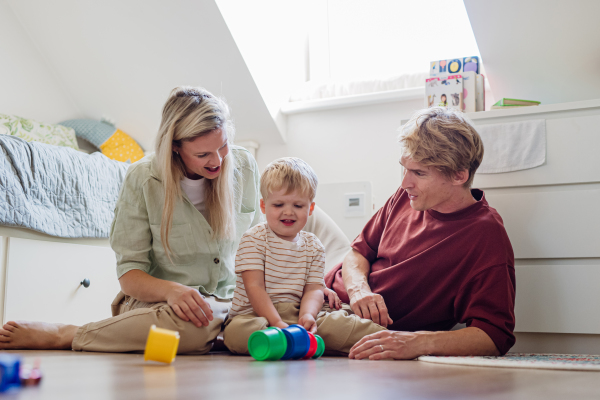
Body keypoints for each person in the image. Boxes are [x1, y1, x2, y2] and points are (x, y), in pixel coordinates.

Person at [0, 86, 262, 354]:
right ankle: (70, 334)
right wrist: (173, 291)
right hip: (161, 305)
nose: (218, 160)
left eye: (223, 146)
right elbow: (130, 276)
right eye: (203, 154)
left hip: (230, 301)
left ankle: (216, 334)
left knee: (257, 330)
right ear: (174, 147)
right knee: (190, 328)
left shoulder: (244, 166)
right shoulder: (142, 179)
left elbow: (258, 248)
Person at [325, 107, 516, 360]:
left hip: (355, 325)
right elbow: (357, 251)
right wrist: (359, 289)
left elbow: (493, 336)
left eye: (419, 173)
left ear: (460, 175)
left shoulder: (485, 235)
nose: (405, 183)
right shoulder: (408, 196)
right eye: (405, 169)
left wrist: (416, 342)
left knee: (273, 326)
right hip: (325, 294)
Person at [223, 157, 383, 355]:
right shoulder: (253, 239)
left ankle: (390, 337)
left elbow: (314, 289)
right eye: (278, 204)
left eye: (298, 206)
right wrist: (276, 322)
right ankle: (297, 341)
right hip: (257, 315)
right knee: (235, 334)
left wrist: (308, 315)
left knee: (343, 325)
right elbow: (254, 288)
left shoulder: (314, 245)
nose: (288, 211)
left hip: (298, 311)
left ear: (311, 209)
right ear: (264, 206)